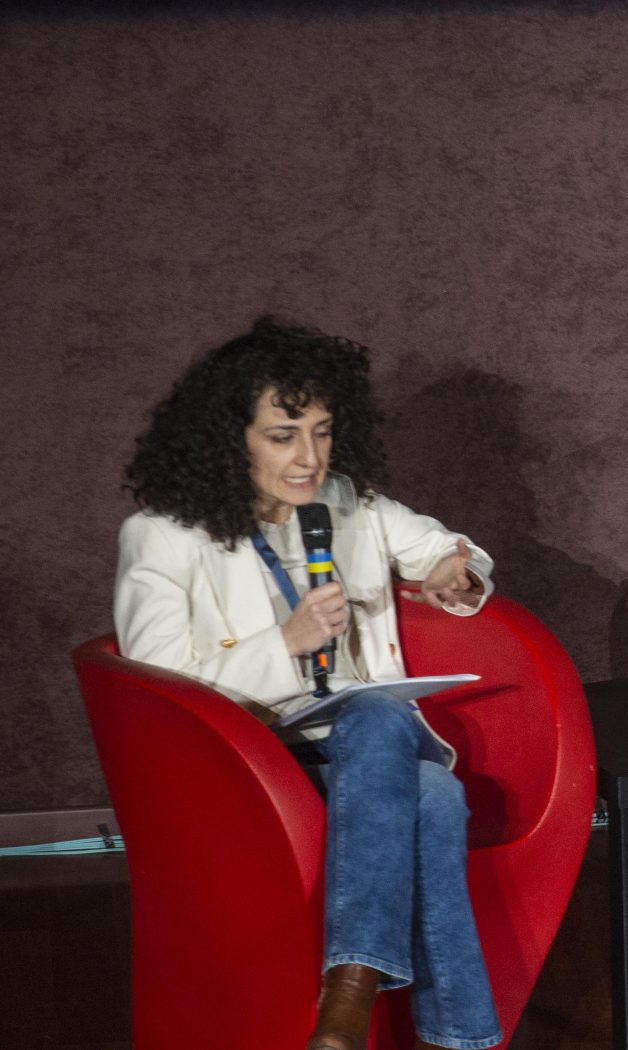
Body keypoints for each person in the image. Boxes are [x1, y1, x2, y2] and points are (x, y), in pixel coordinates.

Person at [113, 317, 501, 1050]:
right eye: (283, 436)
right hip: (250, 761)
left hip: (358, 750)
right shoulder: (162, 536)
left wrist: (457, 572)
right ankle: (440, 1028)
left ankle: (347, 1002)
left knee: (389, 733)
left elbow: (445, 549)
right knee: (426, 783)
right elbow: (155, 692)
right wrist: (284, 644)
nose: (310, 458)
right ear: (231, 439)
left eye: (322, 432)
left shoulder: (346, 503)